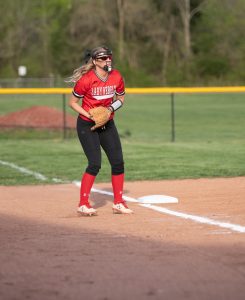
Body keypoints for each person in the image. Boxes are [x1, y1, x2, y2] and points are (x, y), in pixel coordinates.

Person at [68, 45, 133, 216]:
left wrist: (110, 109)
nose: (107, 60)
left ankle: (118, 203)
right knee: (95, 163)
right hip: (87, 125)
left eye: (109, 57)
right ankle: (83, 204)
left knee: (118, 161)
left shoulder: (116, 76)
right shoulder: (86, 80)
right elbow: (73, 103)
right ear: (95, 61)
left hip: (107, 123)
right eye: (103, 58)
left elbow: (121, 98)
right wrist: (90, 115)